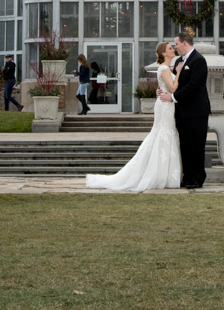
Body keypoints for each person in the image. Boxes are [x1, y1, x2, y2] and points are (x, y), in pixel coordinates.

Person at [86, 42, 181, 191]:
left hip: (166, 104)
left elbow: (166, 86)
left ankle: (164, 173)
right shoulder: (164, 69)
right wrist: (180, 72)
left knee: (164, 134)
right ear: (163, 53)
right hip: (165, 106)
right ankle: (157, 174)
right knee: (162, 134)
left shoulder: (166, 69)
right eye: (170, 48)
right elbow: (173, 87)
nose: (173, 49)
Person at [169, 29, 211, 189]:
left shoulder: (198, 60)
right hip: (182, 112)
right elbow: (175, 82)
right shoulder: (179, 61)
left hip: (196, 112)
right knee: (185, 146)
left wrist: (173, 97)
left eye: (177, 44)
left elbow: (194, 85)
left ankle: (198, 177)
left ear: (185, 43)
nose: (175, 47)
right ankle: (187, 176)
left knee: (196, 145)